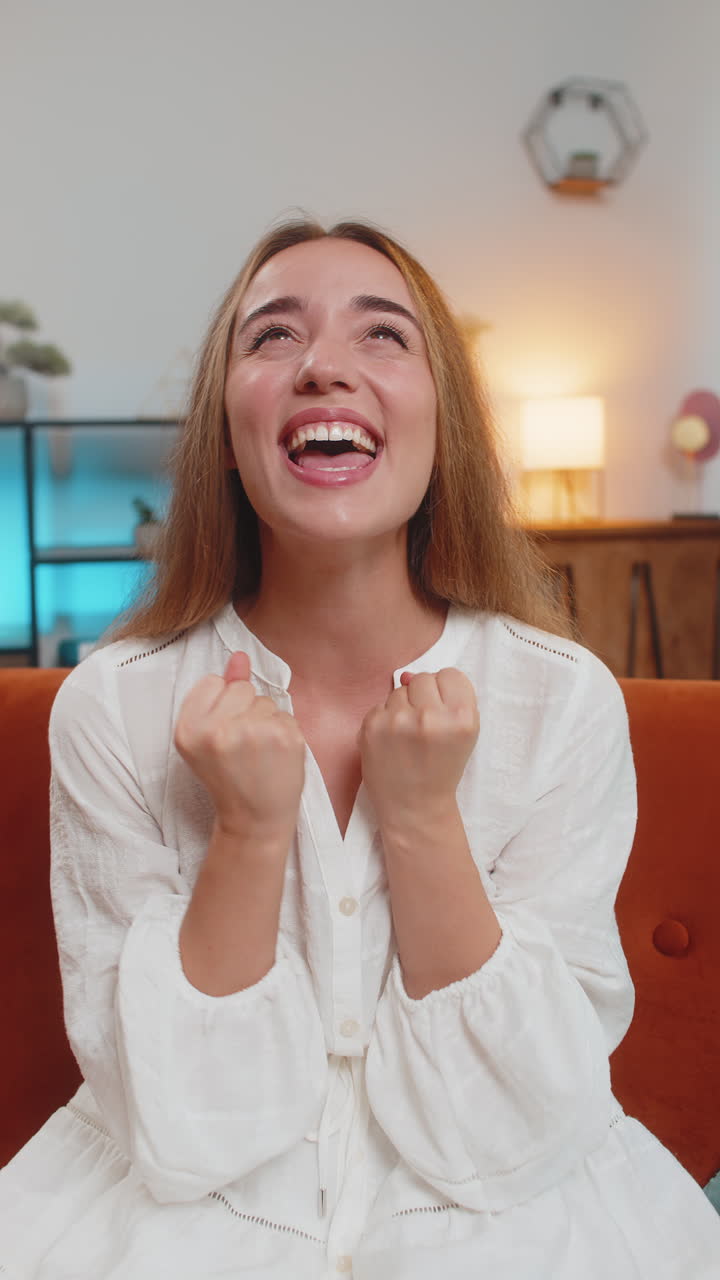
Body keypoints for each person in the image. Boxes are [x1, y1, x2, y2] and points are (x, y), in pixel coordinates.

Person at [1, 218, 719, 1280]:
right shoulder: (114, 705)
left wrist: (425, 817)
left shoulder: (561, 700)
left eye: (383, 336)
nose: (324, 367)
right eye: (272, 337)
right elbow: (182, 1130)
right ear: (227, 424)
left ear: (444, 421)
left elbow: (519, 1128)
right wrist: (247, 828)